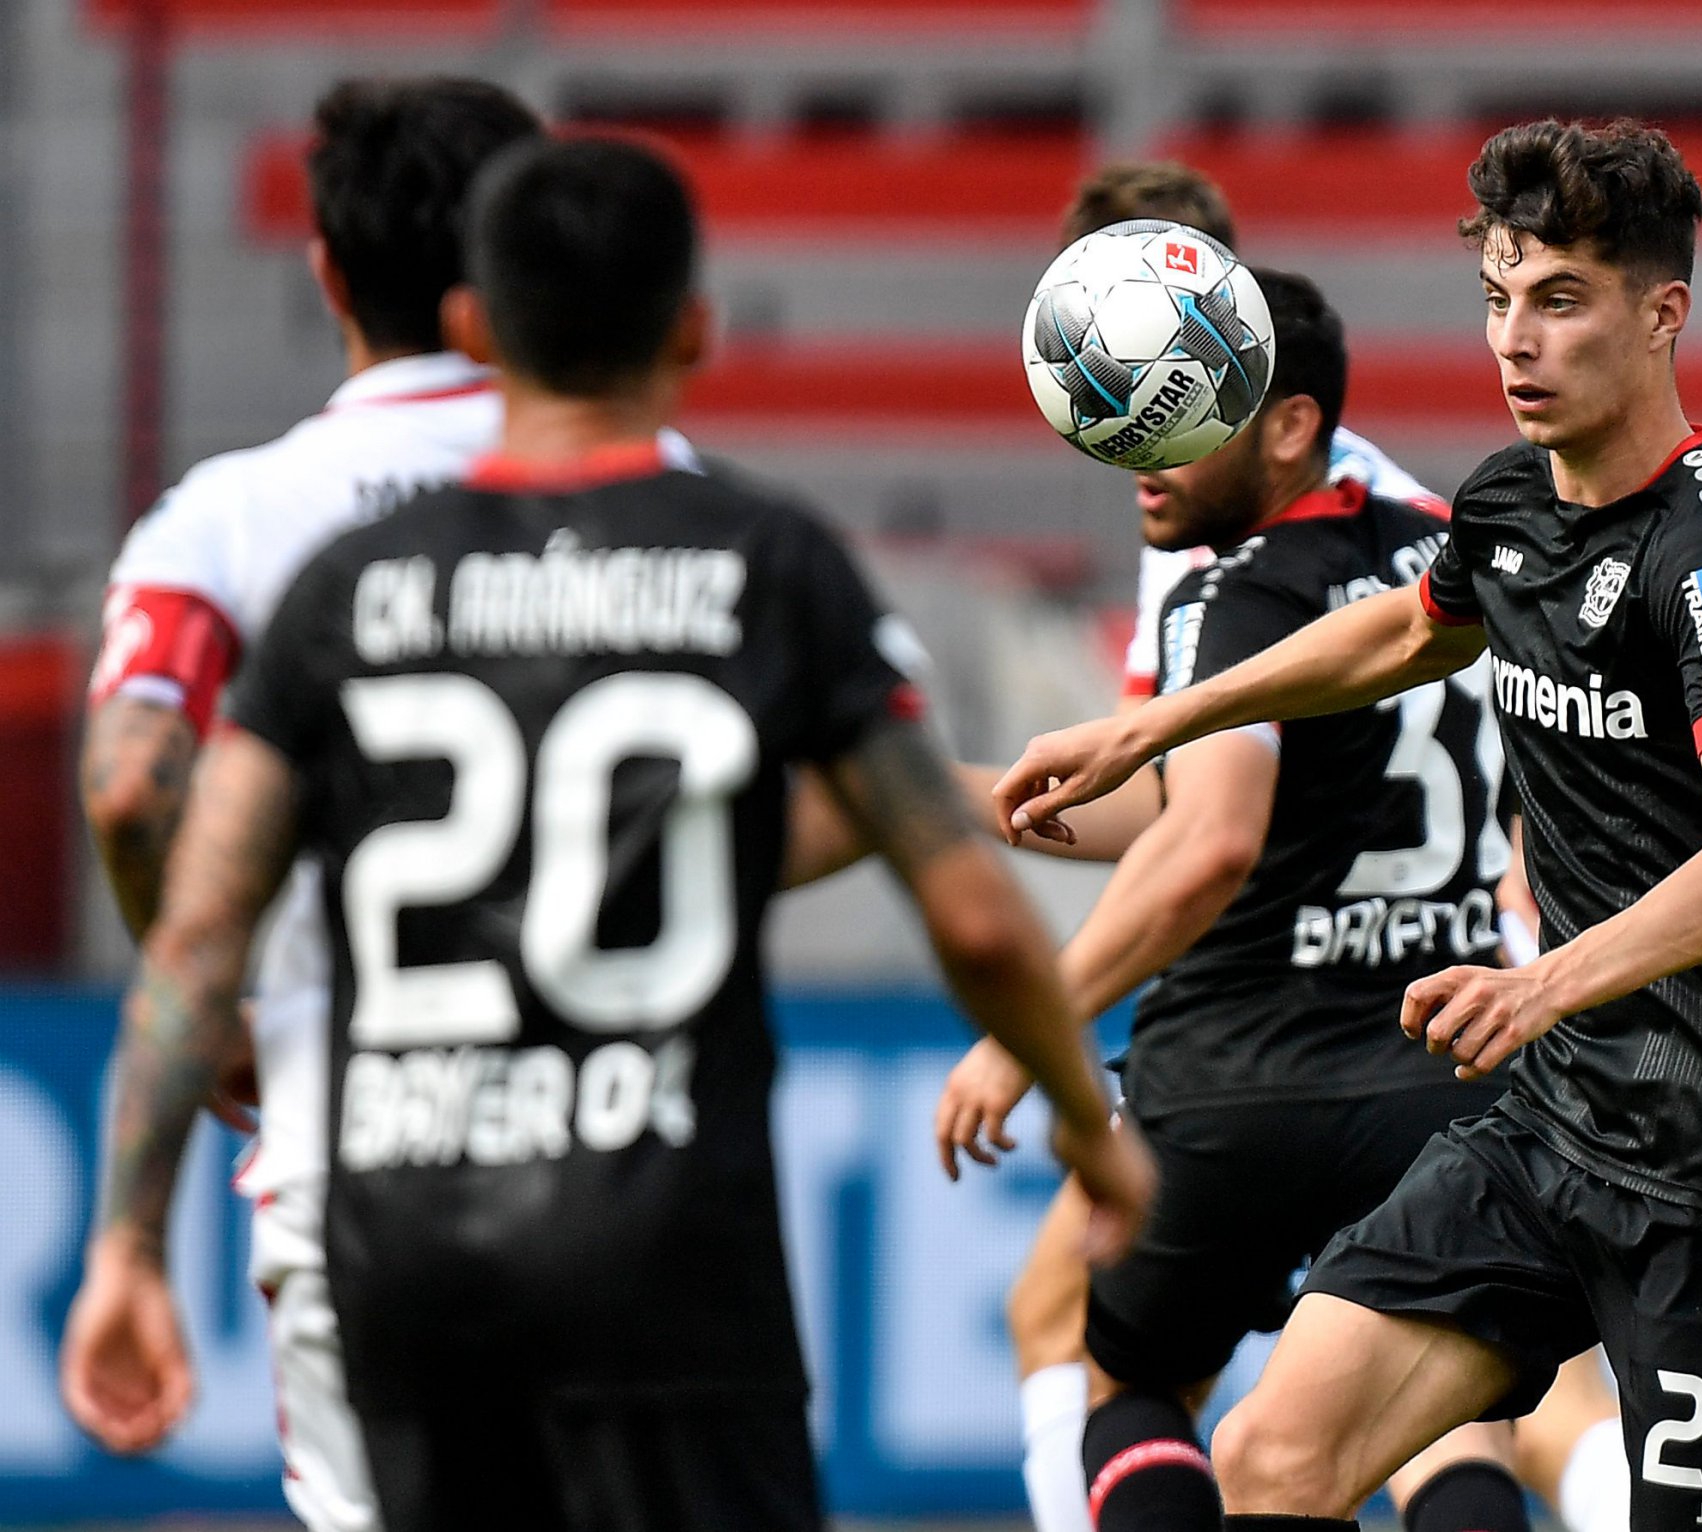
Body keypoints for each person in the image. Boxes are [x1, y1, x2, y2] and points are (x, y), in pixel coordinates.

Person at [59, 135, 1152, 1532]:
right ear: (694, 327)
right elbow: (979, 914)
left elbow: (201, 929)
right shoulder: (763, 562)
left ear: (480, 324)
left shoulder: (347, 590)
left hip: (402, 1231)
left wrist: (128, 1243)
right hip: (663, 1235)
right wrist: (1084, 1120)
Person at [995, 118, 1702, 1532]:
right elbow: (1406, 630)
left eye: (1562, 301)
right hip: (1546, 1128)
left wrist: (1540, 982)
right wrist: (1155, 722)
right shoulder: (1510, 502)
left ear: (1663, 315)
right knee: (1277, 1455)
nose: (1516, 339)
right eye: (1498, 298)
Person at [925, 158, 1630, 1532]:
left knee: (1097, 1352)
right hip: (1444, 1027)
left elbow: (1206, 838)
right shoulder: (1437, 534)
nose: (1115, 409)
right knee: (1455, 1418)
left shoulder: (1224, 554)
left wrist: (1034, 1031)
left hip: (1249, 1050)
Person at [73, 77, 549, 1532]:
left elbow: (128, 782)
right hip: (625, 1156)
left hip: (353, 1148)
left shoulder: (226, 520)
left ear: (329, 269)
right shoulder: (657, 490)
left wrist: (207, 1002)